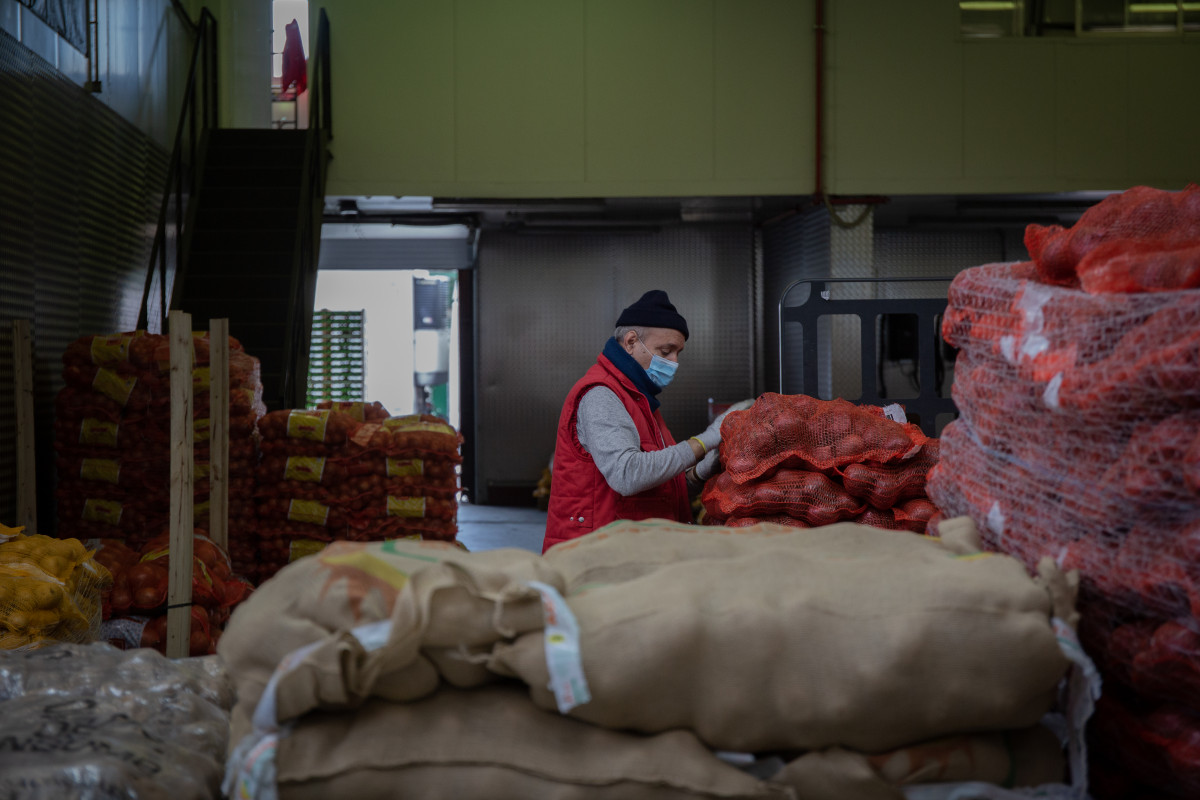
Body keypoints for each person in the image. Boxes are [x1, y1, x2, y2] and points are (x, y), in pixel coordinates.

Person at [542, 290, 753, 553]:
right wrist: (705, 440)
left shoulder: (641, 400)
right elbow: (627, 475)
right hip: (595, 557)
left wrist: (699, 474)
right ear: (631, 342)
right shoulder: (602, 395)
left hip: (630, 551)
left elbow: (655, 490)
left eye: (678, 352)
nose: (675, 362)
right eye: (666, 351)